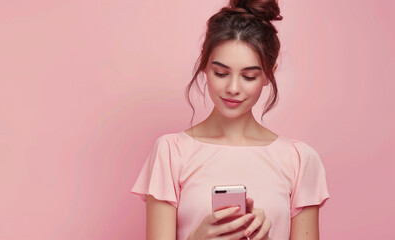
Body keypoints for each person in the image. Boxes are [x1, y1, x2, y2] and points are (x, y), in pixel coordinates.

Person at [131, 0, 330, 239]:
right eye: (221, 73)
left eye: (249, 76)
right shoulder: (171, 152)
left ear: (269, 74)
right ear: (204, 64)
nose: (233, 88)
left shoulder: (299, 160)